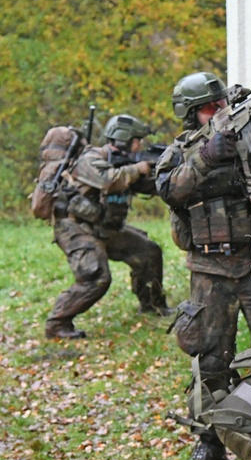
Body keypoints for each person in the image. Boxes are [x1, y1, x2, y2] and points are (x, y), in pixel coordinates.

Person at [155, 70, 251, 460]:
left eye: (221, 104)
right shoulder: (179, 152)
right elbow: (170, 189)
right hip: (209, 269)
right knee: (211, 356)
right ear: (191, 115)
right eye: (209, 108)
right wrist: (207, 156)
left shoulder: (247, 141)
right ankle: (209, 436)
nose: (219, 111)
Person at [45, 114, 171, 340]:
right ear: (123, 139)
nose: (139, 145)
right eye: (136, 140)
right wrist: (138, 168)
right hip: (75, 228)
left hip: (105, 227)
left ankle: (152, 304)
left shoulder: (125, 163)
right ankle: (57, 323)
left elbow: (147, 186)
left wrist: (165, 173)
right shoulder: (91, 158)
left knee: (148, 252)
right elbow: (108, 180)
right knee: (96, 277)